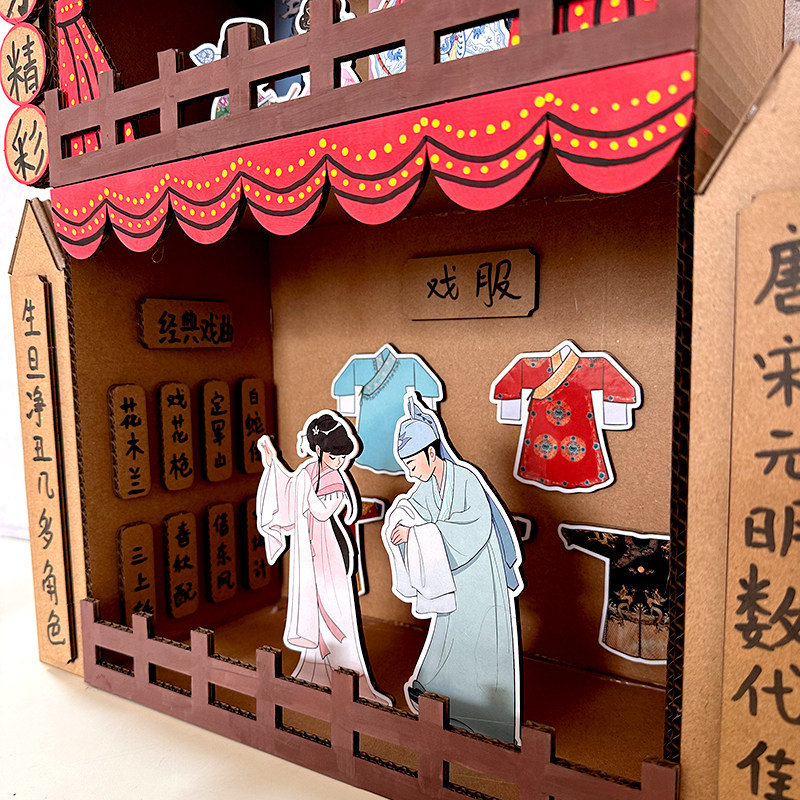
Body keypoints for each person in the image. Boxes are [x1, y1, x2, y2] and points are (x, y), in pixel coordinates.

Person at [382, 394, 523, 743]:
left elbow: (474, 526)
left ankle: (488, 715)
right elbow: (411, 509)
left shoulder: (466, 479)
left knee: (479, 637)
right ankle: (440, 693)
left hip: (480, 572)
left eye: (412, 464)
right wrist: (401, 522)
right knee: (449, 632)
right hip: (452, 575)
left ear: (431, 453)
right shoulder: (428, 486)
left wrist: (419, 533)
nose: (409, 472)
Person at [256, 412, 391, 706]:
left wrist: (305, 489)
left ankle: (353, 679)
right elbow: (286, 492)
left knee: (336, 607)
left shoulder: (337, 480)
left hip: (329, 549)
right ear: (318, 450)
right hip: (308, 550)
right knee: (313, 608)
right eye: (333, 455)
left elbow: (322, 511)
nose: (339, 461)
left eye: (342, 456)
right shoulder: (306, 471)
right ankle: (314, 672)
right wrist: (273, 462)